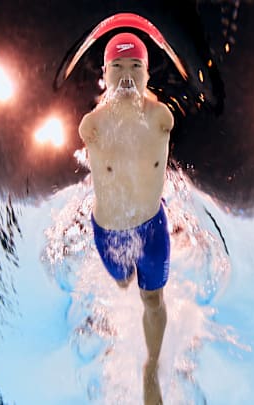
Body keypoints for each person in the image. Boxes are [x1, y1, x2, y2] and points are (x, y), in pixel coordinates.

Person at [78, 32, 174, 405]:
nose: (127, 74)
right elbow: (110, 111)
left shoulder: (161, 118)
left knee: (152, 299)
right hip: (111, 233)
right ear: (105, 73)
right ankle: (122, 278)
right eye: (117, 66)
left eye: (135, 66)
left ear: (147, 74)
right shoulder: (93, 126)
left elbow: (142, 107)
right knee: (122, 283)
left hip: (152, 228)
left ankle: (151, 367)